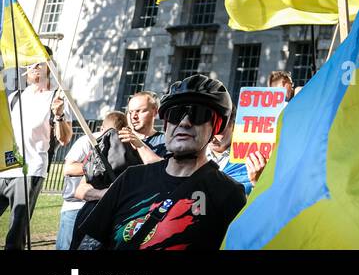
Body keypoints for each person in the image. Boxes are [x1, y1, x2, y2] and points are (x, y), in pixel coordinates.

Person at [75, 75, 246, 250]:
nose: (184, 122)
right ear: (166, 125)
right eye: (175, 114)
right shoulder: (131, 178)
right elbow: (92, 240)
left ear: (216, 126)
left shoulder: (228, 192)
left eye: (198, 114)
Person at [0, 59, 73, 249]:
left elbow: (65, 139)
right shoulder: (15, 97)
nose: (32, 67)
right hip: (5, 168)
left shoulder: (57, 99)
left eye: (38, 63)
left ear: (50, 68)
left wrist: (58, 115)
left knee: (15, 236)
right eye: (30, 64)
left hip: (29, 171)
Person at [57, 110, 126, 250]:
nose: (112, 138)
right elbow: (68, 168)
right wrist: (94, 167)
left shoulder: (124, 144)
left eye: (116, 134)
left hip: (102, 208)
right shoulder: (87, 141)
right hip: (75, 206)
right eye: (109, 133)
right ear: (102, 129)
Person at [120, 91, 167, 164]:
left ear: (155, 112)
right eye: (130, 112)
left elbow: (164, 170)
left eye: (138, 111)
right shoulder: (119, 140)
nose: (133, 117)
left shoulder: (166, 141)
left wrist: (140, 145)